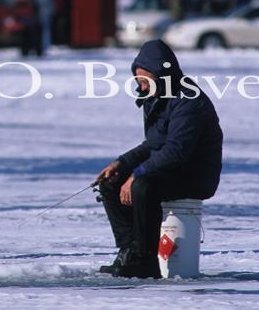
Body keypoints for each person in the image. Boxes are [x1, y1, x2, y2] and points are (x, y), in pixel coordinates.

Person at [95, 40, 223, 278]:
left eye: (145, 81)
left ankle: (145, 262)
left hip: (195, 175)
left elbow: (176, 151)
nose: (141, 87)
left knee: (143, 186)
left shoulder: (189, 100)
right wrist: (121, 164)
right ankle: (130, 252)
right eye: (138, 81)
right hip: (170, 170)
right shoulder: (157, 97)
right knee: (111, 183)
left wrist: (137, 174)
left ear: (162, 75)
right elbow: (154, 145)